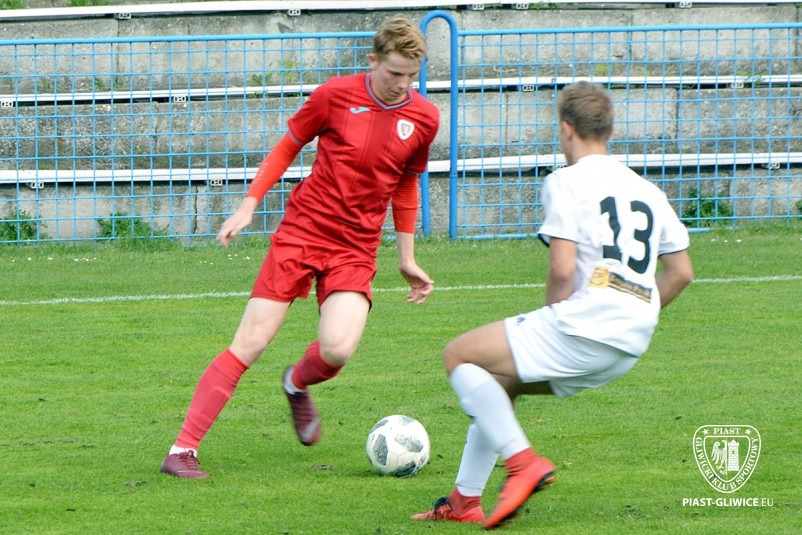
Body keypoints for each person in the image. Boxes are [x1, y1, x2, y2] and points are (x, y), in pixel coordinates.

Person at [160, 14, 439, 479]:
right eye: (394, 73)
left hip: (355, 247)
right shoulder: (334, 96)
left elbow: (406, 184)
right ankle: (182, 450)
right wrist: (249, 205)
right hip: (303, 232)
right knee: (250, 342)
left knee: (337, 350)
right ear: (372, 61)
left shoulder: (424, 117)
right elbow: (286, 148)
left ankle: (295, 382)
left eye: (412, 76)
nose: (402, 85)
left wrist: (406, 257)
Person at [412, 80, 693, 529]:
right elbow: (681, 272)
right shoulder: (648, 191)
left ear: (565, 129)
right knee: (499, 383)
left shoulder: (566, 181)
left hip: (585, 324)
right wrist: (636, 309)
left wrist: (553, 317)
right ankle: (464, 501)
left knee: (459, 356)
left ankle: (523, 464)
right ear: (610, 131)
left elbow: (562, 269)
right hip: (630, 342)